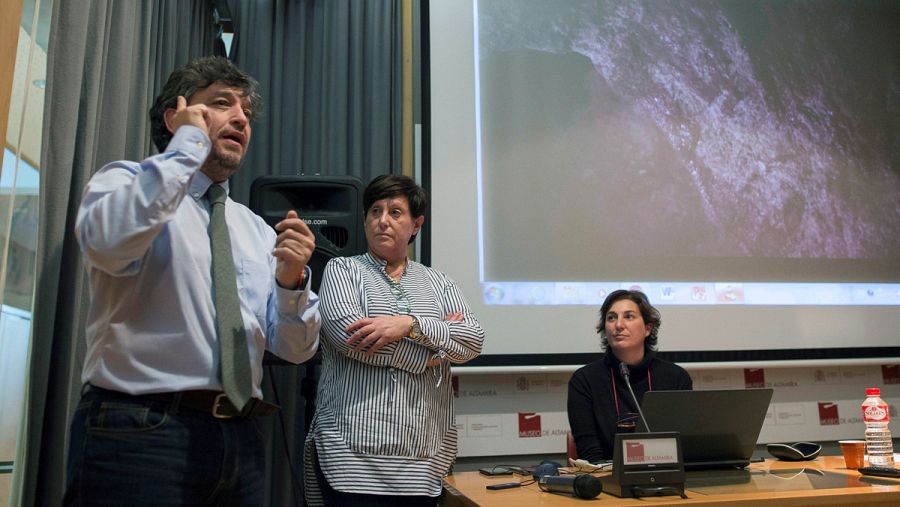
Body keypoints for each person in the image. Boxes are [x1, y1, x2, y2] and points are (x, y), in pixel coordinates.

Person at [65, 56, 321, 505]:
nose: (242, 118)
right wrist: (185, 147)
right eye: (223, 103)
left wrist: (291, 282)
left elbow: (294, 349)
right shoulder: (124, 181)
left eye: (246, 112)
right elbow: (108, 241)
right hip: (140, 432)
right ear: (177, 115)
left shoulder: (256, 229)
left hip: (242, 440)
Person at [305, 174, 484, 506]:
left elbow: (472, 339)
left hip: (424, 464)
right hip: (352, 460)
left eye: (395, 212)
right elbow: (350, 336)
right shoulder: (344, 271)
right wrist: (430, 354)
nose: (382, 221)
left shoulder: (439, 283)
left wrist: (409, 325)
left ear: (416, 224)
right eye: (374, 212)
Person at [567, 289, 692, 463]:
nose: (618, 325)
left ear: (648, 328)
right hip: (607, 481)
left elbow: (684, 444)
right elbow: (590, 452)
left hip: (665, 477)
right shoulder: (584, 380)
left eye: (629, 316)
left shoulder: (676, 378)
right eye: (611, 317)